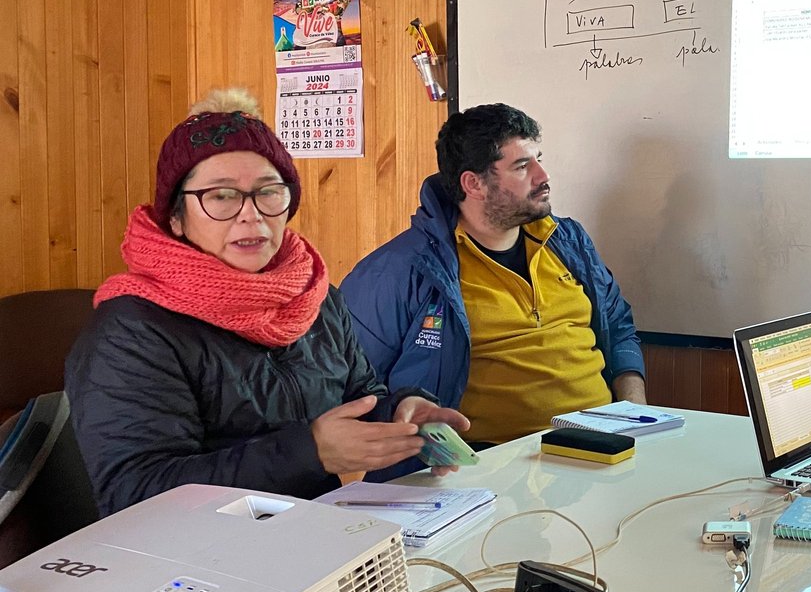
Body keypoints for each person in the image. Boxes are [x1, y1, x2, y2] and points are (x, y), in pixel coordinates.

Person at [65, 90, 469, 516]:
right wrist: (309, 453)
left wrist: (400, 412)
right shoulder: (132, 329)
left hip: (314, 529)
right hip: (195, 562)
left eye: (268, 192)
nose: (250, 215)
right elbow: (135, 494)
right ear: (176, 218)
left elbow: (360, 397)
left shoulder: (313, 297)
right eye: (221, 196)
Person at [340, 103, 645, 446]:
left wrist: (634, 413)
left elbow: (618, 327)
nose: (543, 176)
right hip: (486, 464)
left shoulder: (569, 241)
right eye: (521, 166)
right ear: (474, 184)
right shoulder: (397, 271)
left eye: (538, 159)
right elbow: (356, 386)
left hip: (604, 446)